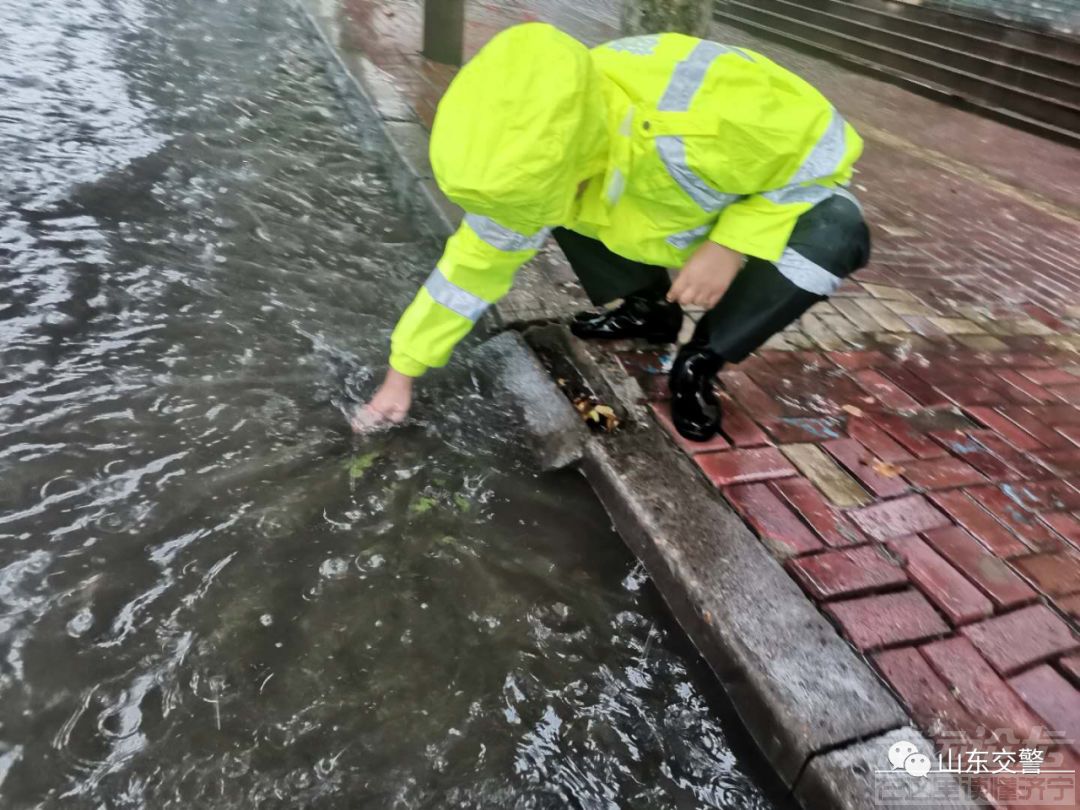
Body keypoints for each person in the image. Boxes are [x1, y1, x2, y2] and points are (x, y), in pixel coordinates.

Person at [354, 23, 871, 441]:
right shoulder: (532, 145)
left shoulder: (707, 108)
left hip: (741, 203)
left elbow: (822, 158)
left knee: (835, 232)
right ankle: (649, 309)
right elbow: (471, 267)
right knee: (552, 207)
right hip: (648, 208)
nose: (526, 218)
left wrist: (732, 244)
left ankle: (700, 360)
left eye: (556, 188)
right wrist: (402, 372)